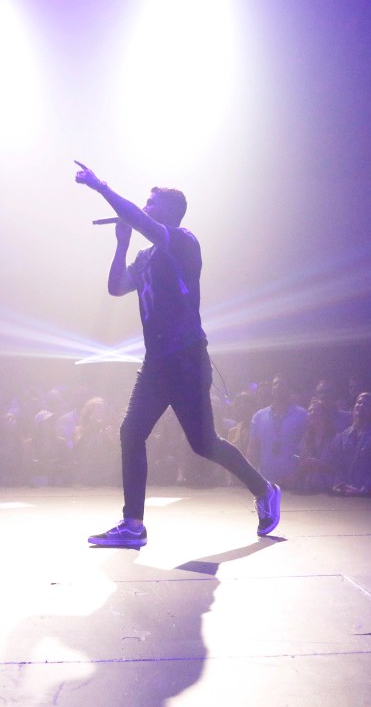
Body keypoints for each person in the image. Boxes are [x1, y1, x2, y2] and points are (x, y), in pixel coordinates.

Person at [74, 161, 280, 547]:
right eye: (145, 204)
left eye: (152, 204)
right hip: (156, 363)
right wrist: (121, 244)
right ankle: (133, 525)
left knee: (203, 444)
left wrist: (102, 187)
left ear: (170, 211)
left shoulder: (184, 241)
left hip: (185, 357)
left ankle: (264, 489)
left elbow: (141, 221)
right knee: (130, 432)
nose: (145, 208)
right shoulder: (145, 256)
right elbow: (116, 288)